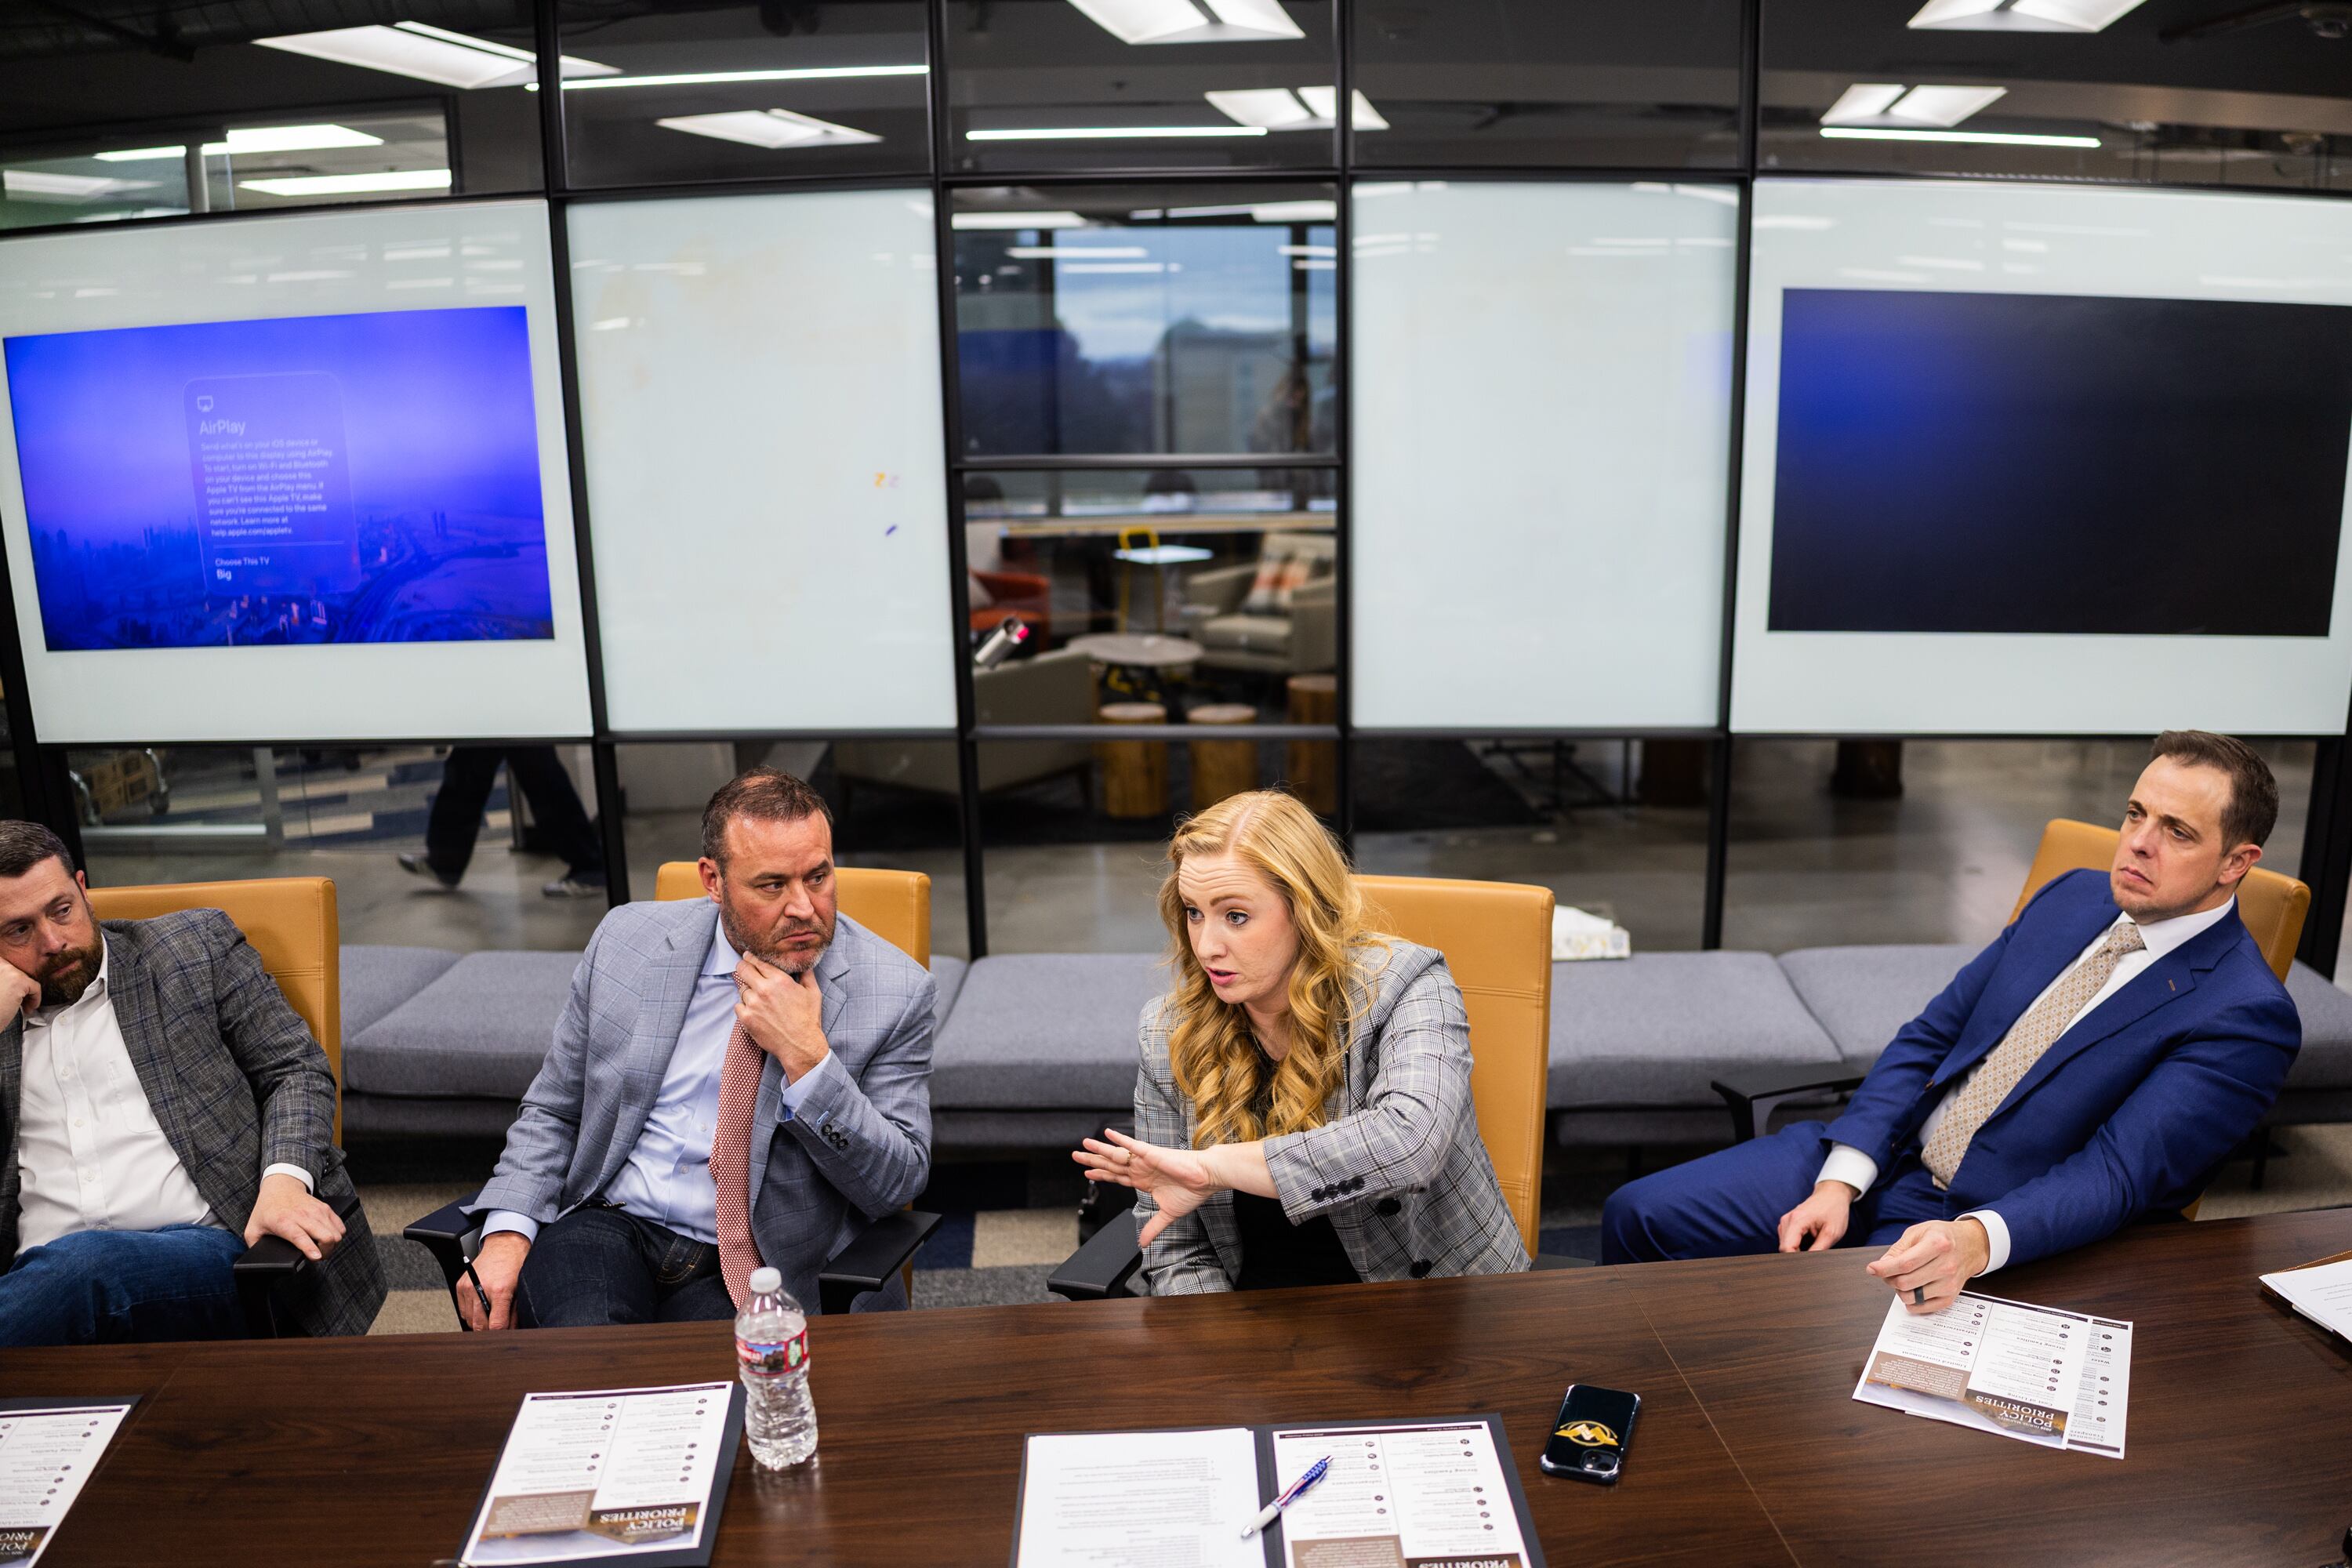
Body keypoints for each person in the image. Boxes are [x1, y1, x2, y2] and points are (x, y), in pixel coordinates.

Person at [1602, 731, 2301, 1314]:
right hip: (1887, 1152)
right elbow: (1932, 1037)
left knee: (1819, 1351)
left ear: (2237, 863)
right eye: (2135, 814)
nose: (2138, 844)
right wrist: (1842, 1178)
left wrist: (1973, 1239)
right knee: (1640, 1215)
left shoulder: (2244, 1015)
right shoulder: (2075, 899)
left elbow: (2118, 1175)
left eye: (2176, 832)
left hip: (1988, 1218)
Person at [460, 768, 935, 1328]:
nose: (804, 907)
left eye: (818, 877)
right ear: (713, 880)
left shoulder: (895, 992)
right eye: (772, 885)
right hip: (612, 1223)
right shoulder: (625, 942)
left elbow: (897, 1182)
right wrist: (509, 1231)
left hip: (760, 1266)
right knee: (587, 1362)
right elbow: (555, 1109)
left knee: (703, 1395)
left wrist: (809, 1061)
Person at [1075, 790, 1528, 1293]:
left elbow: (1410, 1144)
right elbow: (1175, 1246)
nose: (1206, 945)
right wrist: (1220, 1345)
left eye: (1237, 916)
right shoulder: (1167, 1031)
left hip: (1427, 1302)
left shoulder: (1407, 983)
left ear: (1306, 909)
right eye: (1193, 912)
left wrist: (1214, 1168)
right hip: (1256, 1321)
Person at [0, 822, 384, 1345]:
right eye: (18, 930)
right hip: (34, 1285)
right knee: (66, 1277)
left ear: (83, 888)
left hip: (210, 1252)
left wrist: (285, 1183)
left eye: (62, 909)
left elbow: (294, 1068)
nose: (53, 941)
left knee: (86, 1268)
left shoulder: (190, 951)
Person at [398, 744, 607, 898]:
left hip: (512, 701)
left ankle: (589, 866)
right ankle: (445, 861)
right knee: (467, 767)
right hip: (498, 700)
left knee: (539, 773)